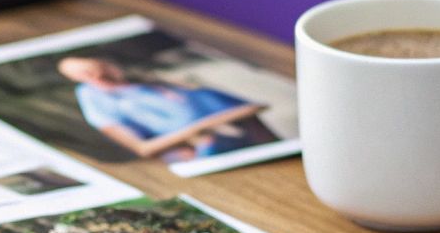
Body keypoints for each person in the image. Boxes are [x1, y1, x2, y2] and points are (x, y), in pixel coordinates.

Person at [56, 55, 279, 163]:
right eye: (86, 74)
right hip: (204, 148)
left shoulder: (147, 81)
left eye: (100, 68)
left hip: (244, 131)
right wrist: (205, 126)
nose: (98, 75)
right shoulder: (97, 99)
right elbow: (144, 149)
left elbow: (253, 109)